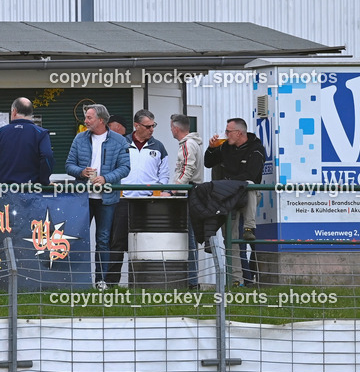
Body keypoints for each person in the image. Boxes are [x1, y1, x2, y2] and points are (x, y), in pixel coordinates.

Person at [65, 104, 131, 289]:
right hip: (82, 198)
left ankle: (100, 281)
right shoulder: (79, 139)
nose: (85, 121)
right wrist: (81, 172)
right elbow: (69, 165)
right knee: (78, 238)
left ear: (101, 120)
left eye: (89, 118)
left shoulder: (119, 141)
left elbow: (125, 168)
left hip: (107, 198)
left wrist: (106, 178)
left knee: (103, 239)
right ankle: (77, 282)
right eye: (86, 117)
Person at [105, 109, 170, 287]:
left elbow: (164, 175)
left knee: (145, 245)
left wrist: (160, 191)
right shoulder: (121, 143)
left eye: (153, 126)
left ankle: (143, 284)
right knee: (117, 244)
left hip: (148, 203)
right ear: (137, 125)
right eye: (148, 126)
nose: (152, 130)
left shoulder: (159, 146)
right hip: (123, 200)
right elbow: (112, 168)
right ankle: (111, 284)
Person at [204, 117, 265, 284]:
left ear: (239, 133)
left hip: (245, 194)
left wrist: (228, 183)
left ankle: (249, 227)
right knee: (231, 238)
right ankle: (236, 280)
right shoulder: (225, 146)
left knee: (251, 185)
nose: (225, 134)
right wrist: (211, 148)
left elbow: (250, 176)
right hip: (228, 195)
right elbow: (208, 163)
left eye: (228, 132)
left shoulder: (256, 149)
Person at [170, 114, 204, 288]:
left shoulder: (187, 144)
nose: (170, 130)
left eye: (171, 127)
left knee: (190, 239)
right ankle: (192, 281)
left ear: (176, 128)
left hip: (190, 193)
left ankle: (192, 282)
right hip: (193, 192)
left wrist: (175, 188)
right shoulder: (193, 143)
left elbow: (187, 169)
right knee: (191, 238)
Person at [0, 97, 53, 185]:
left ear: (14, 111)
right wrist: (44, 181)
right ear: (31, 113)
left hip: (5, 191)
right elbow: (47, 156)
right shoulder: (41, 133)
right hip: (32, 190)